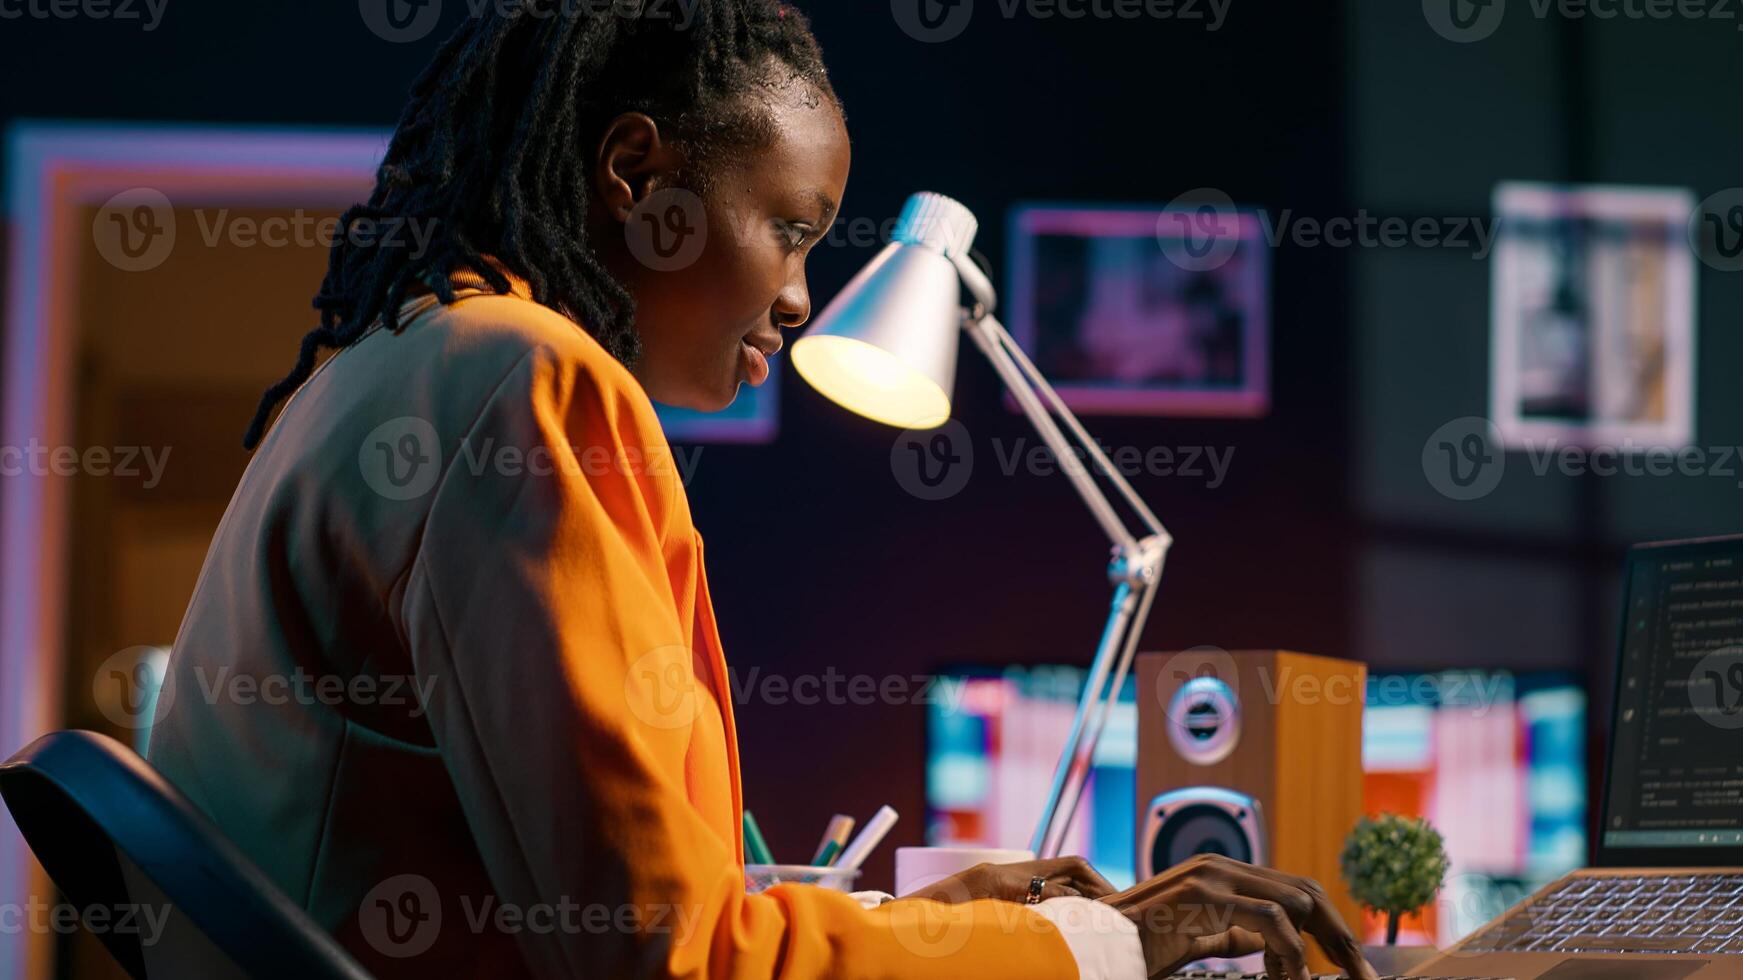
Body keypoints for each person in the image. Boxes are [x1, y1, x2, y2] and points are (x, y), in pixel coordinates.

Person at [147, 4, 1378, 978]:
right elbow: (675, 961)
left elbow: (626, 916)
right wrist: (1107, 942)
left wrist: (930, 927)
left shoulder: (409, 359)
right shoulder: (531, 384)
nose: (797, 298)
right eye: (791, 230)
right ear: (637, 174)